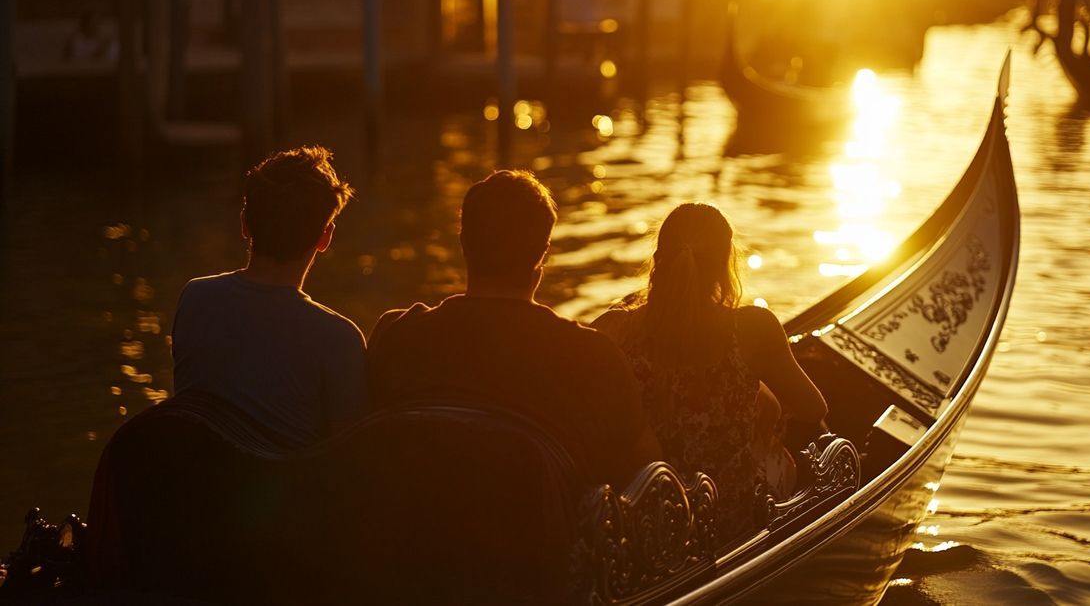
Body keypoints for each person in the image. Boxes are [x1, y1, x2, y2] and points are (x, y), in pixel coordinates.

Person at [367, 170, 660, 487]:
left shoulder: (396, 335)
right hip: (535, 534)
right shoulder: (592, 356)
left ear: (464, 243)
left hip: (408, 530)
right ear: (542, 254)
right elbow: (642, 468)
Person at [591, 203, 828, 544]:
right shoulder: (753, 329)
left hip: (645, 527)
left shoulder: (612, 330)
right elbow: (813, 409)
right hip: (732, 517)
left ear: (658, 260)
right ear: (724, 265)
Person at [171, 146, 366, 450]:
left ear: (245, 223)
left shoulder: (195, 298)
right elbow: (349, 458)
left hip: (198, 488)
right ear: (325, 237)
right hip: (288, 493)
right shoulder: (340, 339)